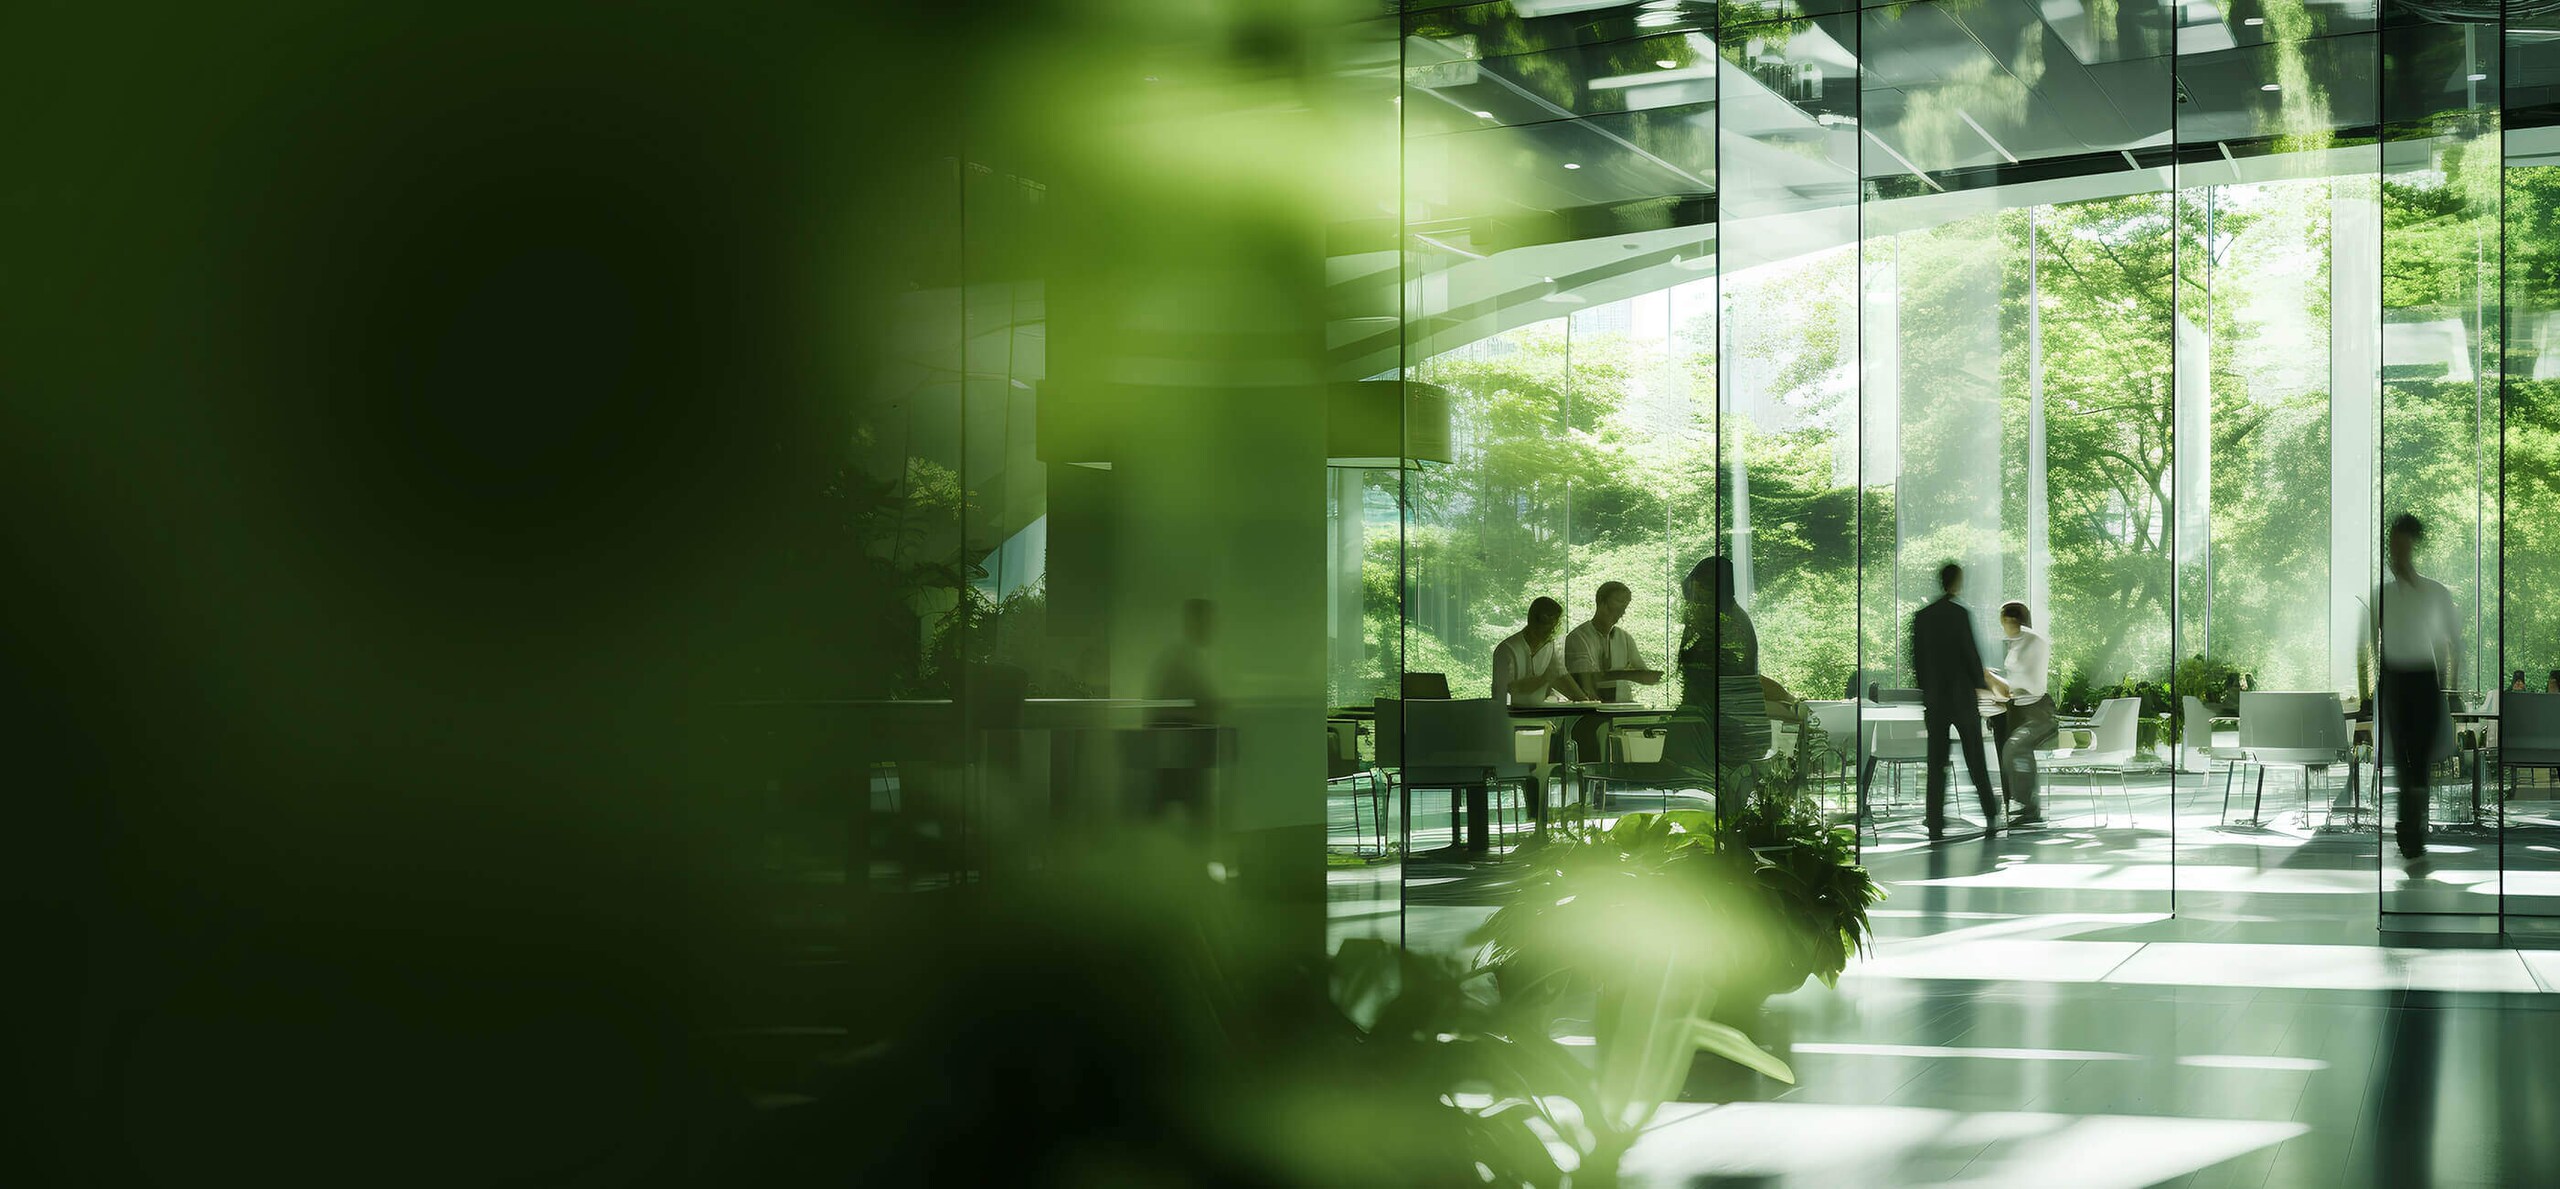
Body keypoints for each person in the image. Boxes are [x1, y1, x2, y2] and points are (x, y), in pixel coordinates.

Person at [2372, 513, 2460, 864]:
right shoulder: (2384, 595)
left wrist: (2451, 688)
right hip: (2394, 678)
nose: (2396, 551)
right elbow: (2371, 644)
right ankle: (2410, 832)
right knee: (2406, 763)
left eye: (2401, 542)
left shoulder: (2433, 591)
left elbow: (2453, 641)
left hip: (2422, 678)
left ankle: (2411, 830)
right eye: (2393, 544)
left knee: (2418, 761)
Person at [1911, 562, 2001, 841]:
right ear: (1957, 581)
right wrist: (1980, 684)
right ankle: (1990, 814)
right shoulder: (1960, 614)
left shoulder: (1922, 617)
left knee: (1935, 762)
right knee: (1975, 758)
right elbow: (1970, 653)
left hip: (1936, 699)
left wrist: (1927, 689)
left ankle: (1935, 823)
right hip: (1961, 697)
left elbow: (1917, 660)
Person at [1672, 556, 1768, 817]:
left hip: (1723, 727)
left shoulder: (1726, 622)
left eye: (1702, 592)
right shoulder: (1727, 617)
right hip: (1718, 723)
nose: (1695, 601)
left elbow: (1723, 675)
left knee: (1716, 807)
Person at [1983, 601, 2052, 829]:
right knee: (2008, 746)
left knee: (2015, 747)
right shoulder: (2016, 643)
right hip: (2018, 710)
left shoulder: (2032, 643)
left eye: (2006, 620)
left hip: (2037, 712)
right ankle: (2017, 803)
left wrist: (1992, 679)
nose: (2005, 625)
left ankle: (2029, 807)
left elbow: (2023, 686)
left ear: (2013, 620)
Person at [1565, 581, 1663, 704]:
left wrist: (1651, 677)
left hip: (1622, 708)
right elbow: (1587, 679)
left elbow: (1642, 672)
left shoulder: (1625, 638)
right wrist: (1628, 675)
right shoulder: (1578, 638)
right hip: (1589, 710)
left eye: (1626, 604)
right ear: (1601, 602)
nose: (1623, 610)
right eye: (1620, 601)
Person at [1492, 597, 1591, 707]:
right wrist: (1543, 680)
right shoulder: (1507, 650)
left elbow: (1561, 676)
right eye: (1546, 625)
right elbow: (1506, 690)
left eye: (1554, 626)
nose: (1551, 632)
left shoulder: (1549, 646)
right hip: (1511, 716)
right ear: (1532, 621)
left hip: (1540, 714)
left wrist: (1585, 702)